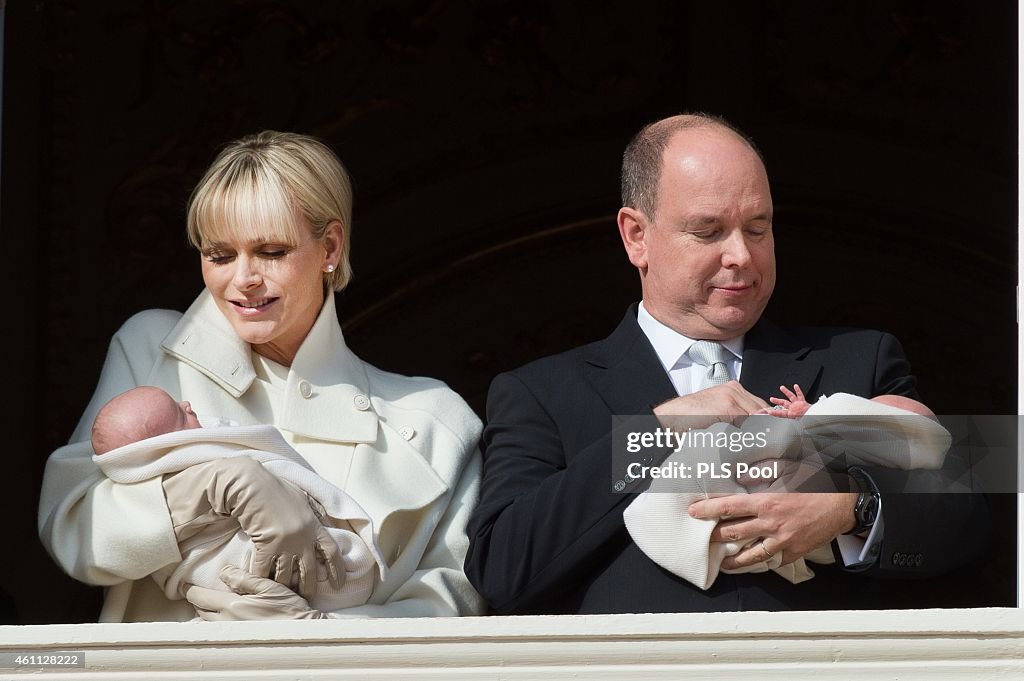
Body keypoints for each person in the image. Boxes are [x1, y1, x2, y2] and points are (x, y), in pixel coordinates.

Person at [464, 113, 991, 614]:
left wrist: (850, 506)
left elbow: (975, 513)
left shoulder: (863, 358)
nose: (740, 254)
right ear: (636, 236)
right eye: (708, 231)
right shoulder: (541, 392)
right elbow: (504, 570)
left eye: (757, 229)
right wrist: (658, 431)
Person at [39, 131, 484, 622]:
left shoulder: (436, 418)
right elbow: (73, 526)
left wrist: (314, 634)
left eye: (271, 251)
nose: (243, 279)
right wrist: (213, 486)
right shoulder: (150, 348)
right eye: (220, 255)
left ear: (330, 247)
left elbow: (453, 599)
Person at [90, 386, 387, 616]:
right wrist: (214, 483)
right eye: (180, 415)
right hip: (222, 586)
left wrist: (320, 631)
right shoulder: (146, 341)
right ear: (166, 446)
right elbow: (89, 521)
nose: (188, 405)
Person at [623, 385, 952, 591]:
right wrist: (662, 423)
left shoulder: (871, 355)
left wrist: (852, 506)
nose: (736, 266)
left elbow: (957, 505)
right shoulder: (572, 378)